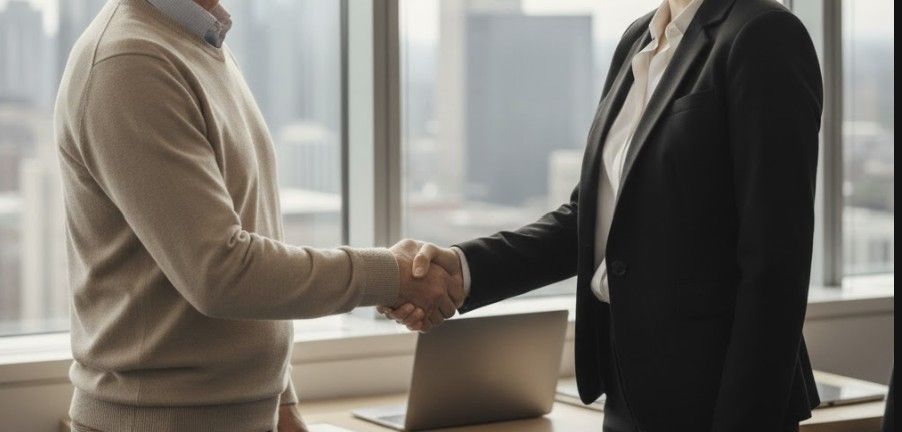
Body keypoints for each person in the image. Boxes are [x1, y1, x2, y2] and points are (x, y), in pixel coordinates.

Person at [384, 0, 824, 430]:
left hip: (715, 400)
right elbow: (592, 220)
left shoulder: (763, 34)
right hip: (628, 390)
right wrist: (463, 270)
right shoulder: (640, 38)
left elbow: (776, 265)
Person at [54, 0, 462, 431]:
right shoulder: (131, 63)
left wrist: (283, 404)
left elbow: (248, 236)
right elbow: (220, 273)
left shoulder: (199, 43)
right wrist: (392, 276)